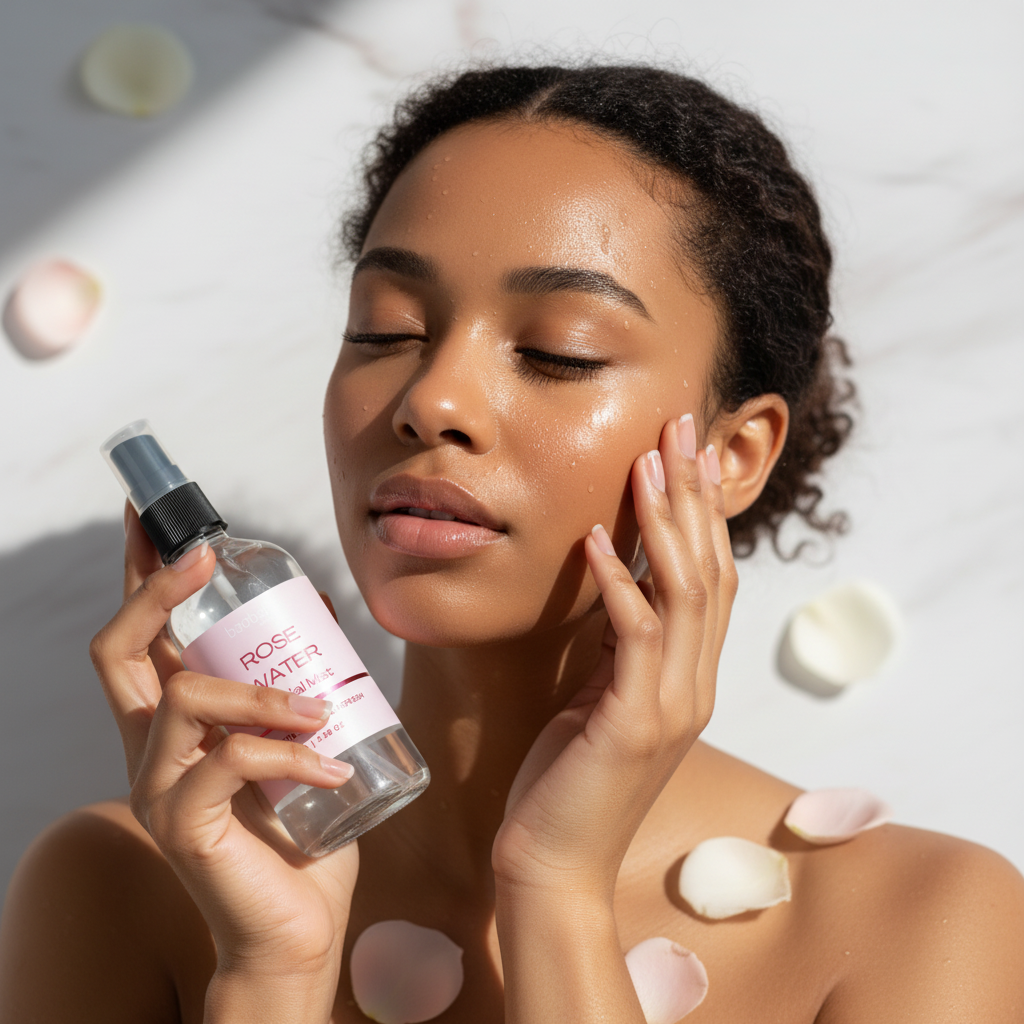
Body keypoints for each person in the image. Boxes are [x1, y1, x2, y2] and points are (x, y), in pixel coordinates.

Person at [1, 63, 1022, 1023]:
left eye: (556, 350)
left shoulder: (916, 921)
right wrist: (271, 974)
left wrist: (557, 893)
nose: (430, 399)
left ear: (734, 452)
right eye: (386, 329)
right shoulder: (121, 881)